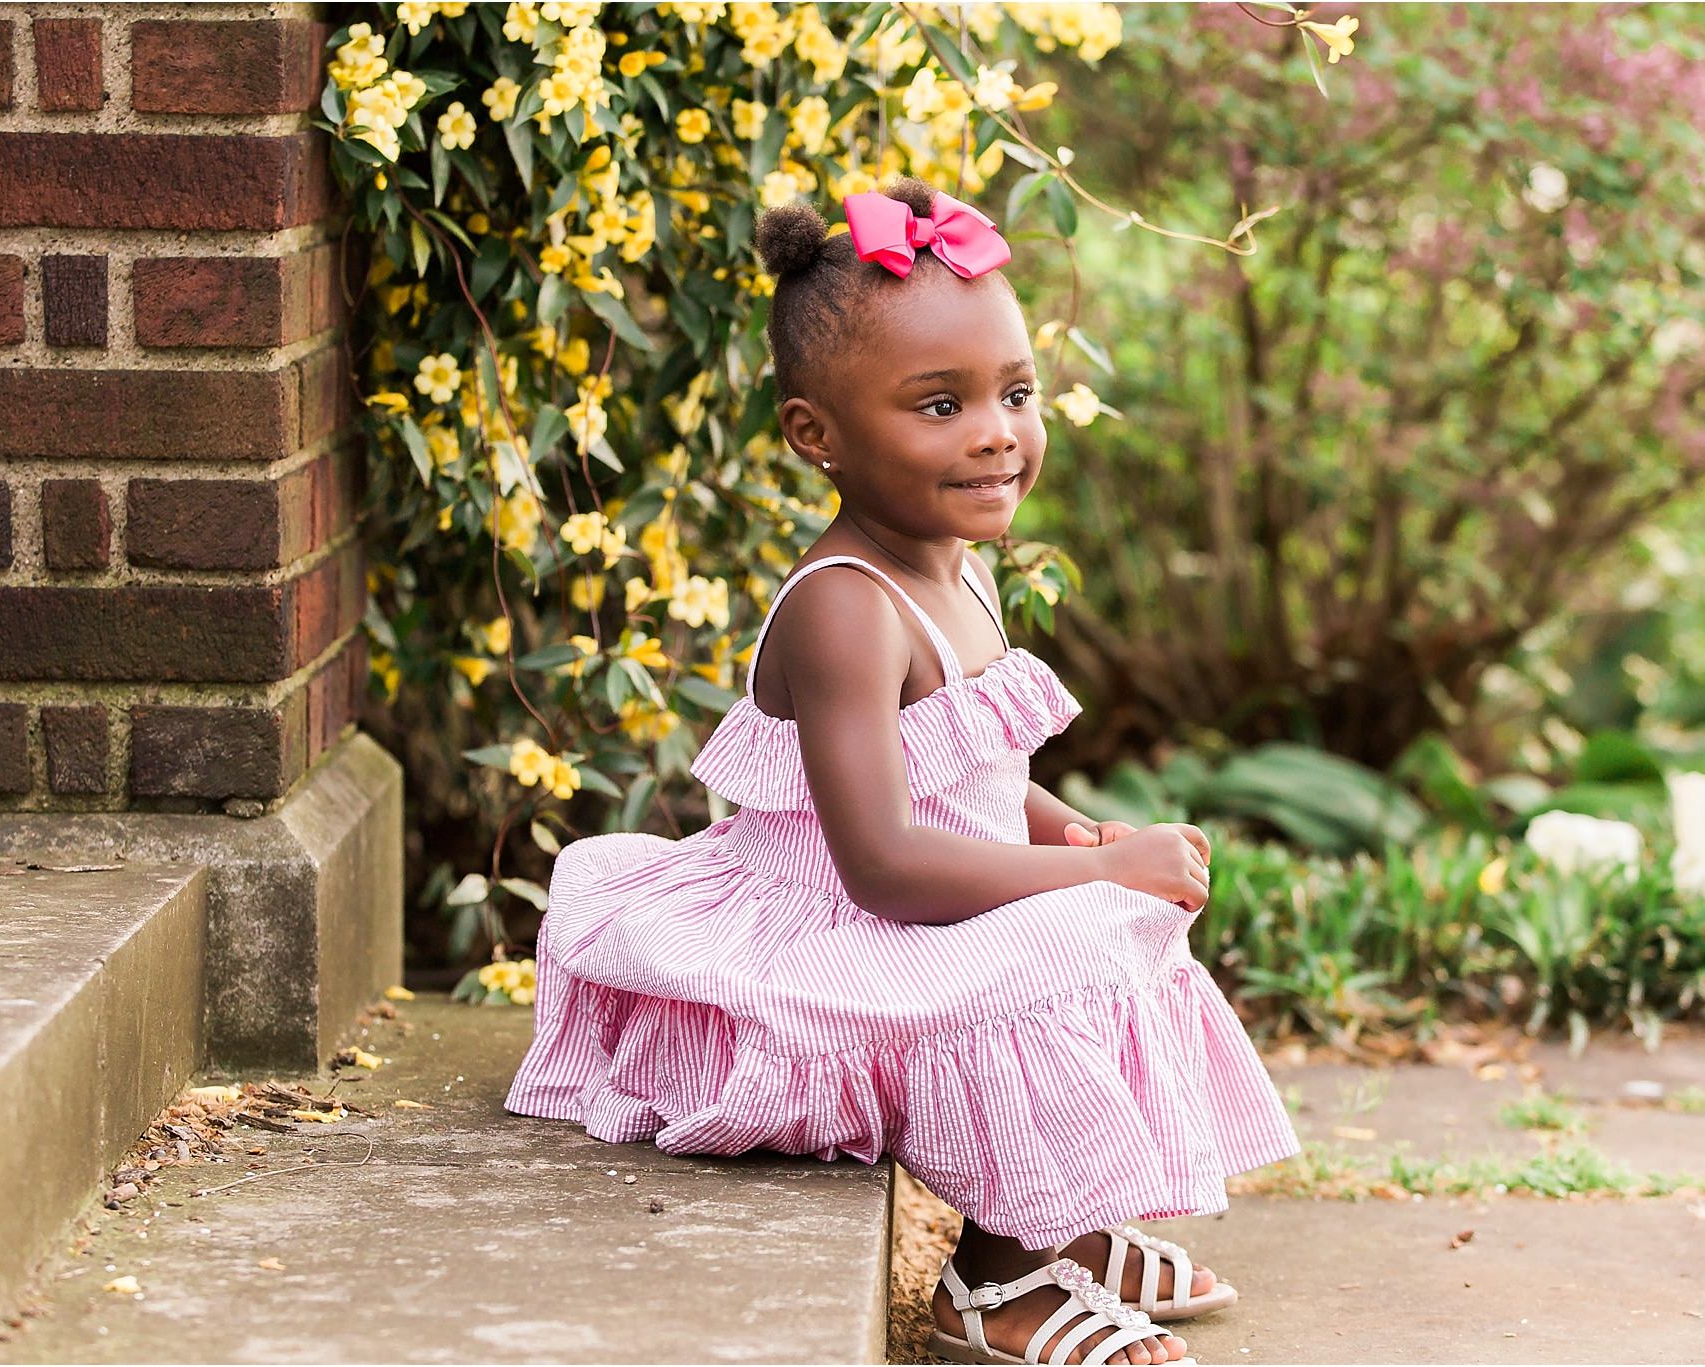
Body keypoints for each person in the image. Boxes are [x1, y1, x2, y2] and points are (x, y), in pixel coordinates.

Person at [505, 176, 1299, 1365]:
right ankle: (990, 1279)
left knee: (1118, 917)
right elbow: (879, 858)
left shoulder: (956, 563)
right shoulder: (844, 611)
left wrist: (1076, 835)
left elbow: (962, 775)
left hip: (897, 892)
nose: (995, 431)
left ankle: (1065, 1223)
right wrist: (1080, 882)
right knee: (1061, 943)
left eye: (1014, 394)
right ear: (814, 434)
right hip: (820, 928)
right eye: (940, 404)